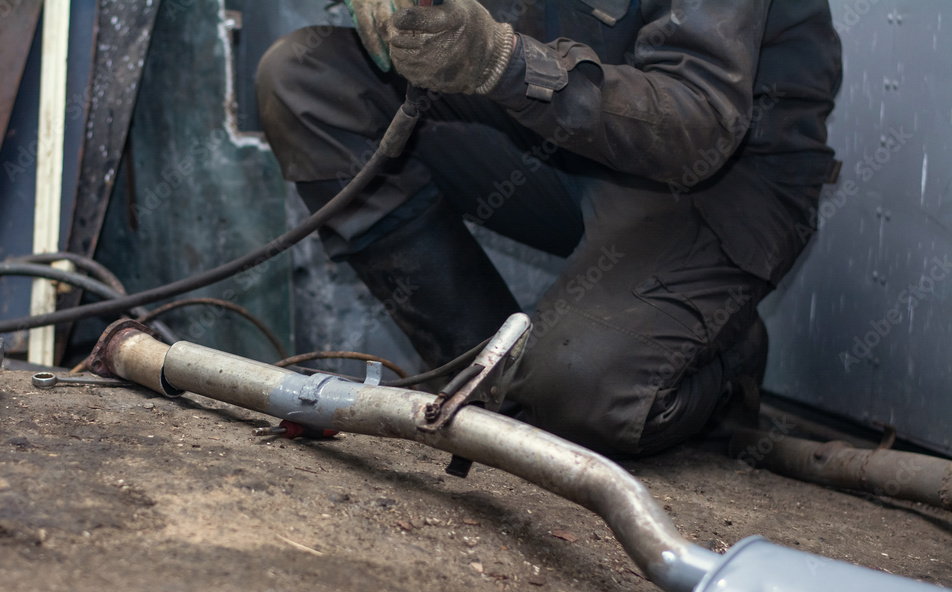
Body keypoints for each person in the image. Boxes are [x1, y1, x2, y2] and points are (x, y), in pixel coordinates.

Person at [255, 0, 842, 457]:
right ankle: (487, 383)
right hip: (555, 139)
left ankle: (719, 357)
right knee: (306, 79)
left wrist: (500, 63)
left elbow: (701, 116)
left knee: (583, 398)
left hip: (715, 182)